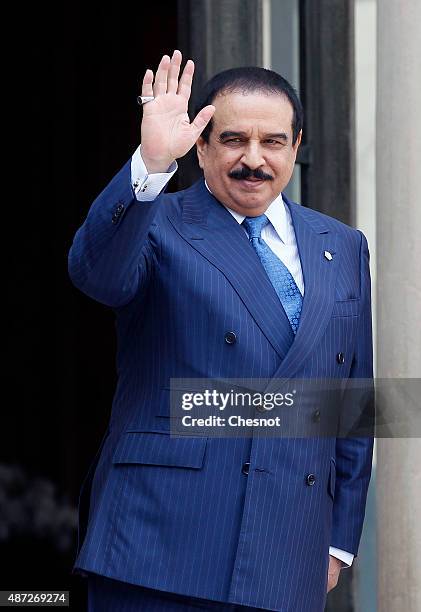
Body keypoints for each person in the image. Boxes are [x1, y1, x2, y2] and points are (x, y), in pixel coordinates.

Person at [68, 50, 374, 612]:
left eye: (273, 142)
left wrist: (338, 541)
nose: (253, 160)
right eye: (232, 140)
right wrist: (151, 164)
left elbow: (351, 406)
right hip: (161, 543)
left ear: (297, 147)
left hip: (287, 549)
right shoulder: (156, 221)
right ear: (202, 146)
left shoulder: (343, 246)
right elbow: (96, 275)